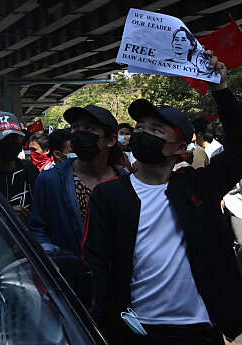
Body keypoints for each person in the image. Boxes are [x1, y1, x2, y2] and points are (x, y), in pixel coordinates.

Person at [83, 58, 242, 344]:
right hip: (138, 330)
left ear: (180, 147)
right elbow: (97, 262)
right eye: (140, 127)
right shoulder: (109, 195)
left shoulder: (197, 187)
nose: (143, 133)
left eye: (156, 130)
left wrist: (221, 91)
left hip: (200, 330)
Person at [30, 105, 127, 256]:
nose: (80, 133)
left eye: (89, 128)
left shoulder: (126, 182)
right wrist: (52, 254)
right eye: (75, 128)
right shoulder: (51, 180)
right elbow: (38, 228)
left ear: (110, 140)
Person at [0, 111, 37, 222]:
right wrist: (3, 214)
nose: (10, 143)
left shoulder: (30, 170)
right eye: (3, 139)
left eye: (14, 138)